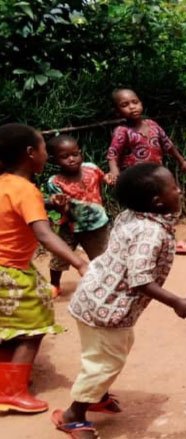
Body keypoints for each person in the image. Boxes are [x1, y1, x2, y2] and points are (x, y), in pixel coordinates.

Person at [52, 163, 186, 438]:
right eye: (173, 187)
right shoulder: (150, 231)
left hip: (97, 298)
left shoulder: (133, 215)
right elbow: (141, 279)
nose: (179, 190)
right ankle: (73, 415)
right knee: (105, 362)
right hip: (106, 307)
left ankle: (97, 395)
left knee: (110, 351)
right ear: (156, 201)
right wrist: (177, 302)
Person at [0, 123, 88, 414]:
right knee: (34, 327)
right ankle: (12, 392)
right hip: (11, 270)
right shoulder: (26, 190)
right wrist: (78, 261)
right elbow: (44, 234)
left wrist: (50, 201)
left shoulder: (5, 184)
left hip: (5, 268)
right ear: (29, 153)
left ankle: (7, 381)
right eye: (42, 149)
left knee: (9, 328)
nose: (46, 155)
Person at [106, 88, 186, 254]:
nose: (132, 107)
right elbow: (112, 154)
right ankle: (139, 244)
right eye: (125, 105)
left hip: (158, 178)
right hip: (137, 182)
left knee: (163, 208)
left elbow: (168, 145)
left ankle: (167, 241)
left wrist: (181, 160)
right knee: (139, 212)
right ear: (117, 111)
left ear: (141, 103)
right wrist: (115, 173)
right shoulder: (122, 131)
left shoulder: (153, 125)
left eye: (135, 102)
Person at [45, 135, 111, 298]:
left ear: (80, 153)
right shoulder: (56, 182)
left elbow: (104, 178)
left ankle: (104, 284)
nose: (72, 159)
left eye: (75, 154)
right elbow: (64, 210)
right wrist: (61, 205)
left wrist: (111, 178)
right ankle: (54, 284)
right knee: (59, 257)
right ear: (54, 160)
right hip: (70, 227)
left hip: (97, 225)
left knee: (101, 258)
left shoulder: (91, 168)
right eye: (65, 156)